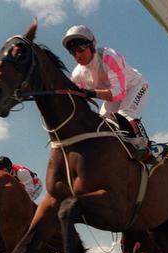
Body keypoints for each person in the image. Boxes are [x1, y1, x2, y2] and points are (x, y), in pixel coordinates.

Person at [61, 25, 151, 161]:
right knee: (102, 125)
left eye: (80, 48)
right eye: (72, 51)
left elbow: (118, 93)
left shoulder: (109, 57)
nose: (77, 55)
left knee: (124, 115)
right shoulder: (77, 75)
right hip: (112, 98)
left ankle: (147, 149)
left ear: (91, 46)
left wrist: (90, 93)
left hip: (135, 87)